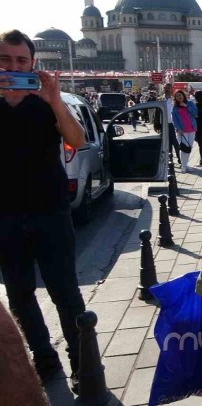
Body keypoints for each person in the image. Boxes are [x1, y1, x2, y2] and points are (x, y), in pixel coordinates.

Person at [0, 29, 87, 394]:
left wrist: (54, 100)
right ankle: (43, 357)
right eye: (5, 60)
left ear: (32, 64)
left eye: (21, 61)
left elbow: (77, 139)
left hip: (50, 212)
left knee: (65, 292)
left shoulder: (46, 101)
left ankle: (83, 362)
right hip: (5, 217)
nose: (13, 67)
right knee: (19, 294)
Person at [172, 89, 198, 173]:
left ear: (183, 95)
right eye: (177, 96)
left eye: (180, 95)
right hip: (182, 131)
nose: (179, 97)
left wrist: (186, 106)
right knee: (184, 148)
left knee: (189, 148)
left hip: (192, 129)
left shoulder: (190, 103)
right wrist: (178, 128)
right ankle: (183, 166)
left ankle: (186, 165)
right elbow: (174, 119)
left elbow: (196, 114)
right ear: (175, 98)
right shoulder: (175, 107)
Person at [163, 83, 182, 160]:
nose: (167, 89)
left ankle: (180, 159)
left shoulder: (175, 100)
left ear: (172, 89)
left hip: (174, 125)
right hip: (164, 125)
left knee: (176, 142)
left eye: (168, 88)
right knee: (168, 143)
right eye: (165, 88)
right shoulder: (160, 99)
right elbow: (157, 112)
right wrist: (156, 124)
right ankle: (170, 160)